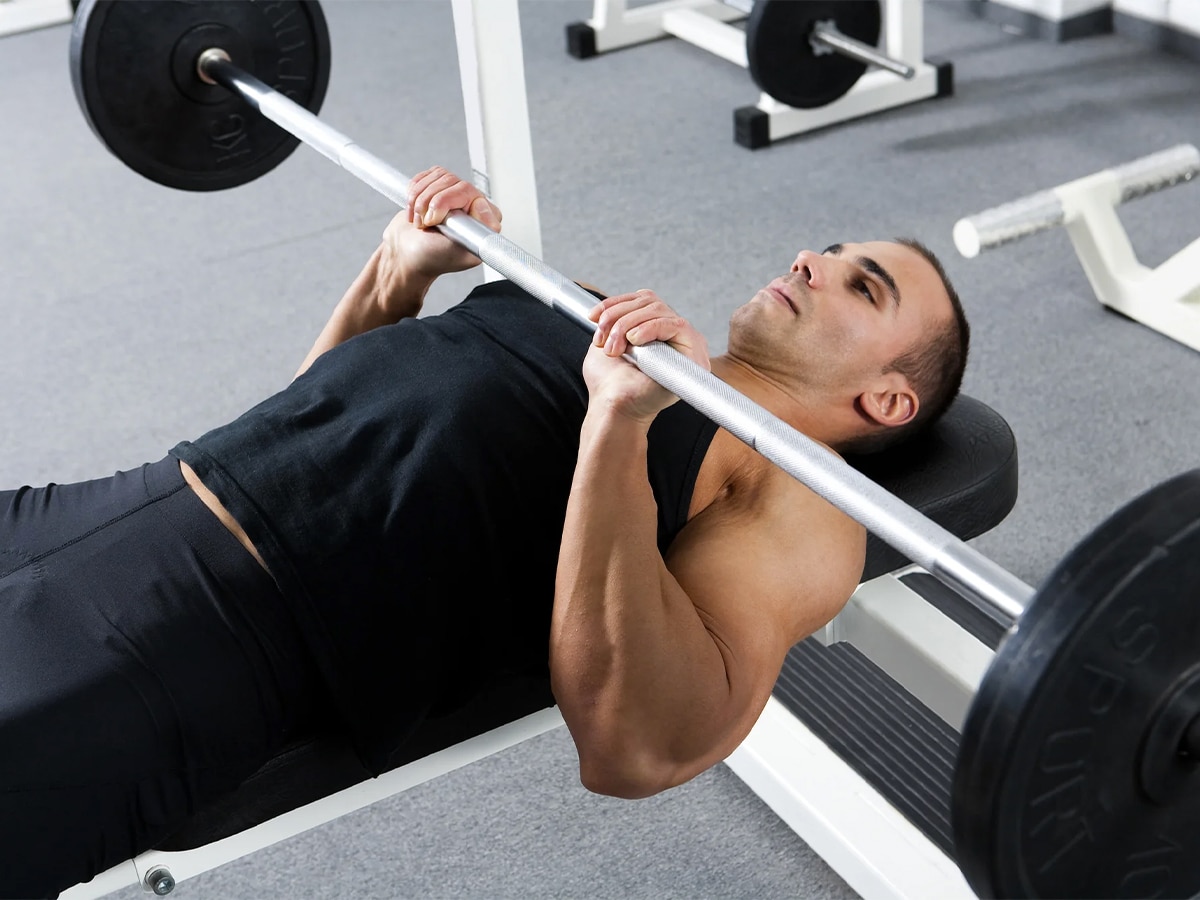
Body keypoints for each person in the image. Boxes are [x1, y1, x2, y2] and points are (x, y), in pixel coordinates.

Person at [0, 167, 969, 898]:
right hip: (120, 502)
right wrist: (395, 274)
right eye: (831, 251)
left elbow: (639, 748)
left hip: (202, 649)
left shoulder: (799, 494)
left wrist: (616, 430)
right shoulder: (609, 318)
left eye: (863, 286)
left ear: (888, 397)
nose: (812, 262)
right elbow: (311, 424)